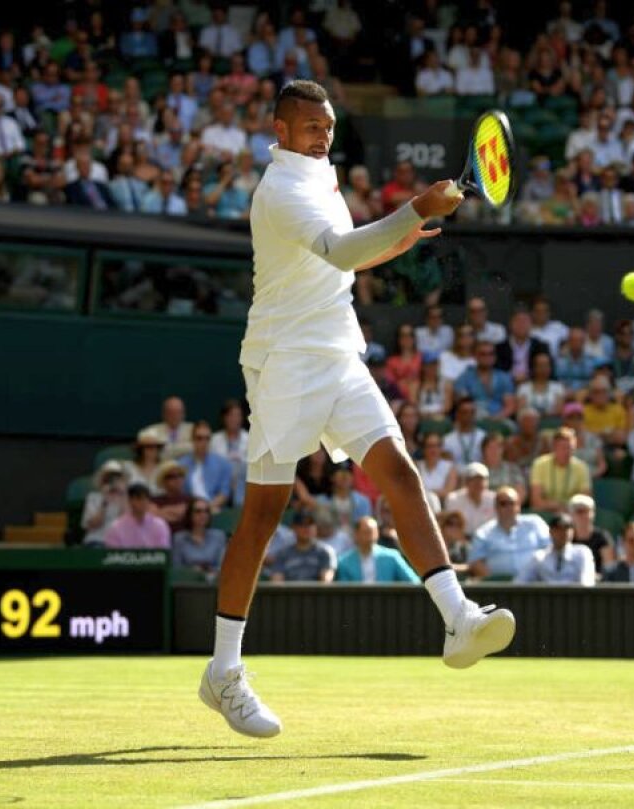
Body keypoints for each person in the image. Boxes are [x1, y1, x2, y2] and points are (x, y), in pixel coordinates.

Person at [201, 80, 512, 739]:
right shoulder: (279, 190)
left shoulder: (323, 178)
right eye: (311, 126)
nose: (323, 135)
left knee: (398, 470)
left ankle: (457, 617)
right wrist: (412, 208)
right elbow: (341, 250)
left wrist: (401, 235)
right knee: (262, 515)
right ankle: (222, 672)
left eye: (329, 126)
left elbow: (345, 259)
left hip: (340, 354)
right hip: (284, 361)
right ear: (281, 131)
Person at [467, 486, 549, 579]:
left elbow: (550, 550)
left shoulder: (535, 523)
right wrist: (493, 581)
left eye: (512, 503)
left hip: (535, 583)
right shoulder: (483, 532)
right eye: (503, 503)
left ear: (519, 506)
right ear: (496, 507)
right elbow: (475, 562)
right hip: (499, 585)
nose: (509, 507)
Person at [514, 513, 595, 585]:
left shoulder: (582, 553)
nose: (562, 533)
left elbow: (586, 583)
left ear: (573, 532)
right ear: (550, 531)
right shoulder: (540, 557)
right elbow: (519, 582)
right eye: (558, 529)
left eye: (566, 528)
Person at [336, 516, 420, 583]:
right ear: (356, 534)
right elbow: (343, 591)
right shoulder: (343, 561)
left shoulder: (392, 557)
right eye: (366, 532)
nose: (370, 536)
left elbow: (414, 582)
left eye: (373, 532)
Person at [530, 428, 591, 512]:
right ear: (554, 448)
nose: (567, 452)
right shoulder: (539, 464)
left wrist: (564, 509)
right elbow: (536, 501)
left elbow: (585, 501)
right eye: (563, 448)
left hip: (571, 514)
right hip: (545, 512)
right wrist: (558, 506)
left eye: (571, 448)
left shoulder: (582, 467)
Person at [268, 510, 336, 583]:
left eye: (310, 523)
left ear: (316, 527)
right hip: (290, 590)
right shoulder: (283, 554)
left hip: (316, 590)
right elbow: (277, 582)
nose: (306, 528)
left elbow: (326, 582)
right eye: (301, 524)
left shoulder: (326, 551)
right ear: (293, 527)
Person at [179, 421, 233, 511]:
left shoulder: (223, 464)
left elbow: (224, 493)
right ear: (192, 439)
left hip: (214, 509)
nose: (204, 442)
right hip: (189, 511)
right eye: (199, 438)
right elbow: (180, 493)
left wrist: (206, 509)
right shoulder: (181, 464)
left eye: (207, 438)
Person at [172, 497, 228, 576]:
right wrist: (191, 571)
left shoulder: (219, 536)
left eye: (206, 511)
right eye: (198, 511)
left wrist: (209, 571)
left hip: (213, 580)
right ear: (190, 514)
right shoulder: (179, 539)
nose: (203, 515)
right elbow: (176, 568)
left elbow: (222, 566)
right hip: (187, 580)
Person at [105, 482, 171, 549]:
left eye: (146, 498)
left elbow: (163, 551)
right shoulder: (116, 527)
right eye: (139, 499)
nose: (143, 502)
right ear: (130, 501)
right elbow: (113, 553)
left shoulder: (160, 525)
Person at [81, 460, 129, 546]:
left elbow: (126, 523)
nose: (113, 482)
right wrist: (104, 502)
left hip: (119, 542)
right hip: (97, 540)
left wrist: (123, 496)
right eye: (108, 479)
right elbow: (93, 525)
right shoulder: (93, 497)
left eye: (117, 478)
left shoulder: (126, 499)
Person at [444, 463, 494, 533]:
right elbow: (450, 527)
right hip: (461, 537)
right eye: (474, 480)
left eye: (481, 479)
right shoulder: (453, 499)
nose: (478, 483)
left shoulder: (494, 500)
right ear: (466, 482)